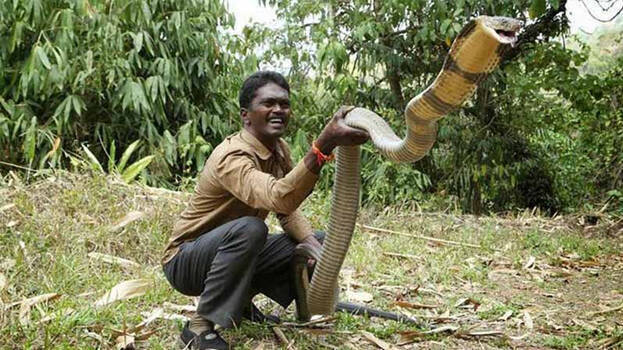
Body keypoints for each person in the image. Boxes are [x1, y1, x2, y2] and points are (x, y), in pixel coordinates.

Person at [162, 71, 369, 349]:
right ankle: (199, 326)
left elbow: (288, 210)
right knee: (251, 228)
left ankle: (244, 304)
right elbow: (278, 198)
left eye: (284, 104)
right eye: (268, 103)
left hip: (230, 252)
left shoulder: (278, 149)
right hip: (186, 261)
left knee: (316, 240)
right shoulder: (232, 156)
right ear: (246, 115)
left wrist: (311, 245)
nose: (278, 110)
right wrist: (323, 146)